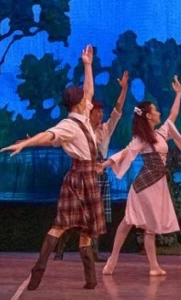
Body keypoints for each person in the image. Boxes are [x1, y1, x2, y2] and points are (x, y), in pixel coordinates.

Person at [0, 45, 105, 290]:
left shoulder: (83, 115)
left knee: (86, 230)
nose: (88, 99)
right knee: (61, 225)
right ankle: (38, 269)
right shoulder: (69, 125)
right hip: (79, 178)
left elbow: (90, 89)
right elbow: (48, 135)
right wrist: (26, 144)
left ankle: (91, 279)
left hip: (89, 176)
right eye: (84, 98)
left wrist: (87, 65)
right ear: (78, 103)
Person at [101, 76, 181, 276]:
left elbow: (173, 115)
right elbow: (126, 152)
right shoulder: (141, 138)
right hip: (144, 185)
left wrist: (179, 93)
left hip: (157, 185)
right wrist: (105, 164)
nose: (159, 112)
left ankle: (153, 266)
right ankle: (113, 258)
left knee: (150, 227)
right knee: (128, 221)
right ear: (148, 116)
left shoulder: (161, 134)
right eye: (155, 110)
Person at [54, 71, 129, 262]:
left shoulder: (105, 129)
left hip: (99, 176)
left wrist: (124, 89)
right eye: (98, 111)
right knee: (74, 214)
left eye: (102, 112)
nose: (101, 114)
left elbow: (117, 111)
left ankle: (94, 252)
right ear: (89, 112)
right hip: (82, 176)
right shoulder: (82, 127)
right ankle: (60, 249)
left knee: (96, 215)